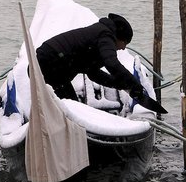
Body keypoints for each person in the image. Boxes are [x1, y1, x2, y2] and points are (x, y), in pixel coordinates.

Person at [35, 13, 166, 114]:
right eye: (125, 43)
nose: (124, 48)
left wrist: (118, 84)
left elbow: (93, 73)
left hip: (49, 64)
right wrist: (134, 85)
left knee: (71, 107)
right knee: (72, 108)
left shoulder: (99, 35)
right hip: (49, 62)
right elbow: (112, 63)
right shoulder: (105, 35)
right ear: (119, 37)